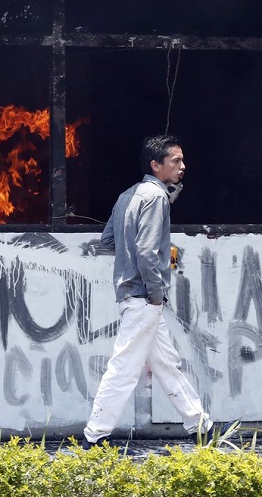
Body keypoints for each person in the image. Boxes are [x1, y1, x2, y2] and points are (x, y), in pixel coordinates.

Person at [82, 134, 213, 449]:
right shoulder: (156, 197)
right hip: (143, 299)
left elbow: (108, 241)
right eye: (176, 161)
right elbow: (145, 250)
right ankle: (94, 435)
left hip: (133, 296)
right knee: (123, 367)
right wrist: (156, 293)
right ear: (157, 166)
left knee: (167, 364)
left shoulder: (128, 195)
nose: (183, 166)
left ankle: (201, 425)